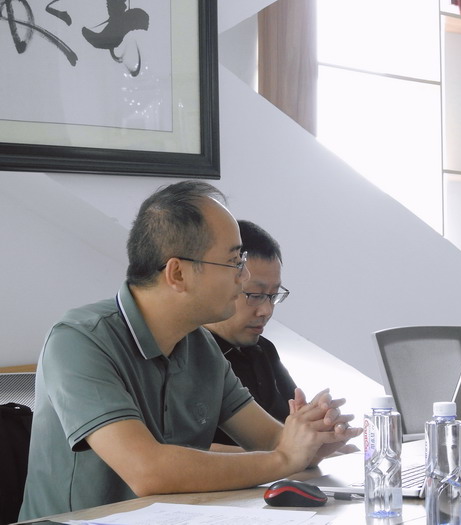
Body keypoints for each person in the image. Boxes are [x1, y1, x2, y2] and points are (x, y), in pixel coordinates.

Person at [19, 181, 360, 520]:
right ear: (178, 273)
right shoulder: (79, 340)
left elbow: (271, 439)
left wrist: (312, 441)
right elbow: (147, 471)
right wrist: (284, 459)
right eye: (234, 262)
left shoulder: (200, 345)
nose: (243, 277)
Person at [204, 220, 296, 444]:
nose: (267, 310)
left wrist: (321, 428)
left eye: (273, 296)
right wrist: (289, 455)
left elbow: (293, 430)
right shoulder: (190, 356)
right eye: (255, 295)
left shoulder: (263, 349)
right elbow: (184, 452)